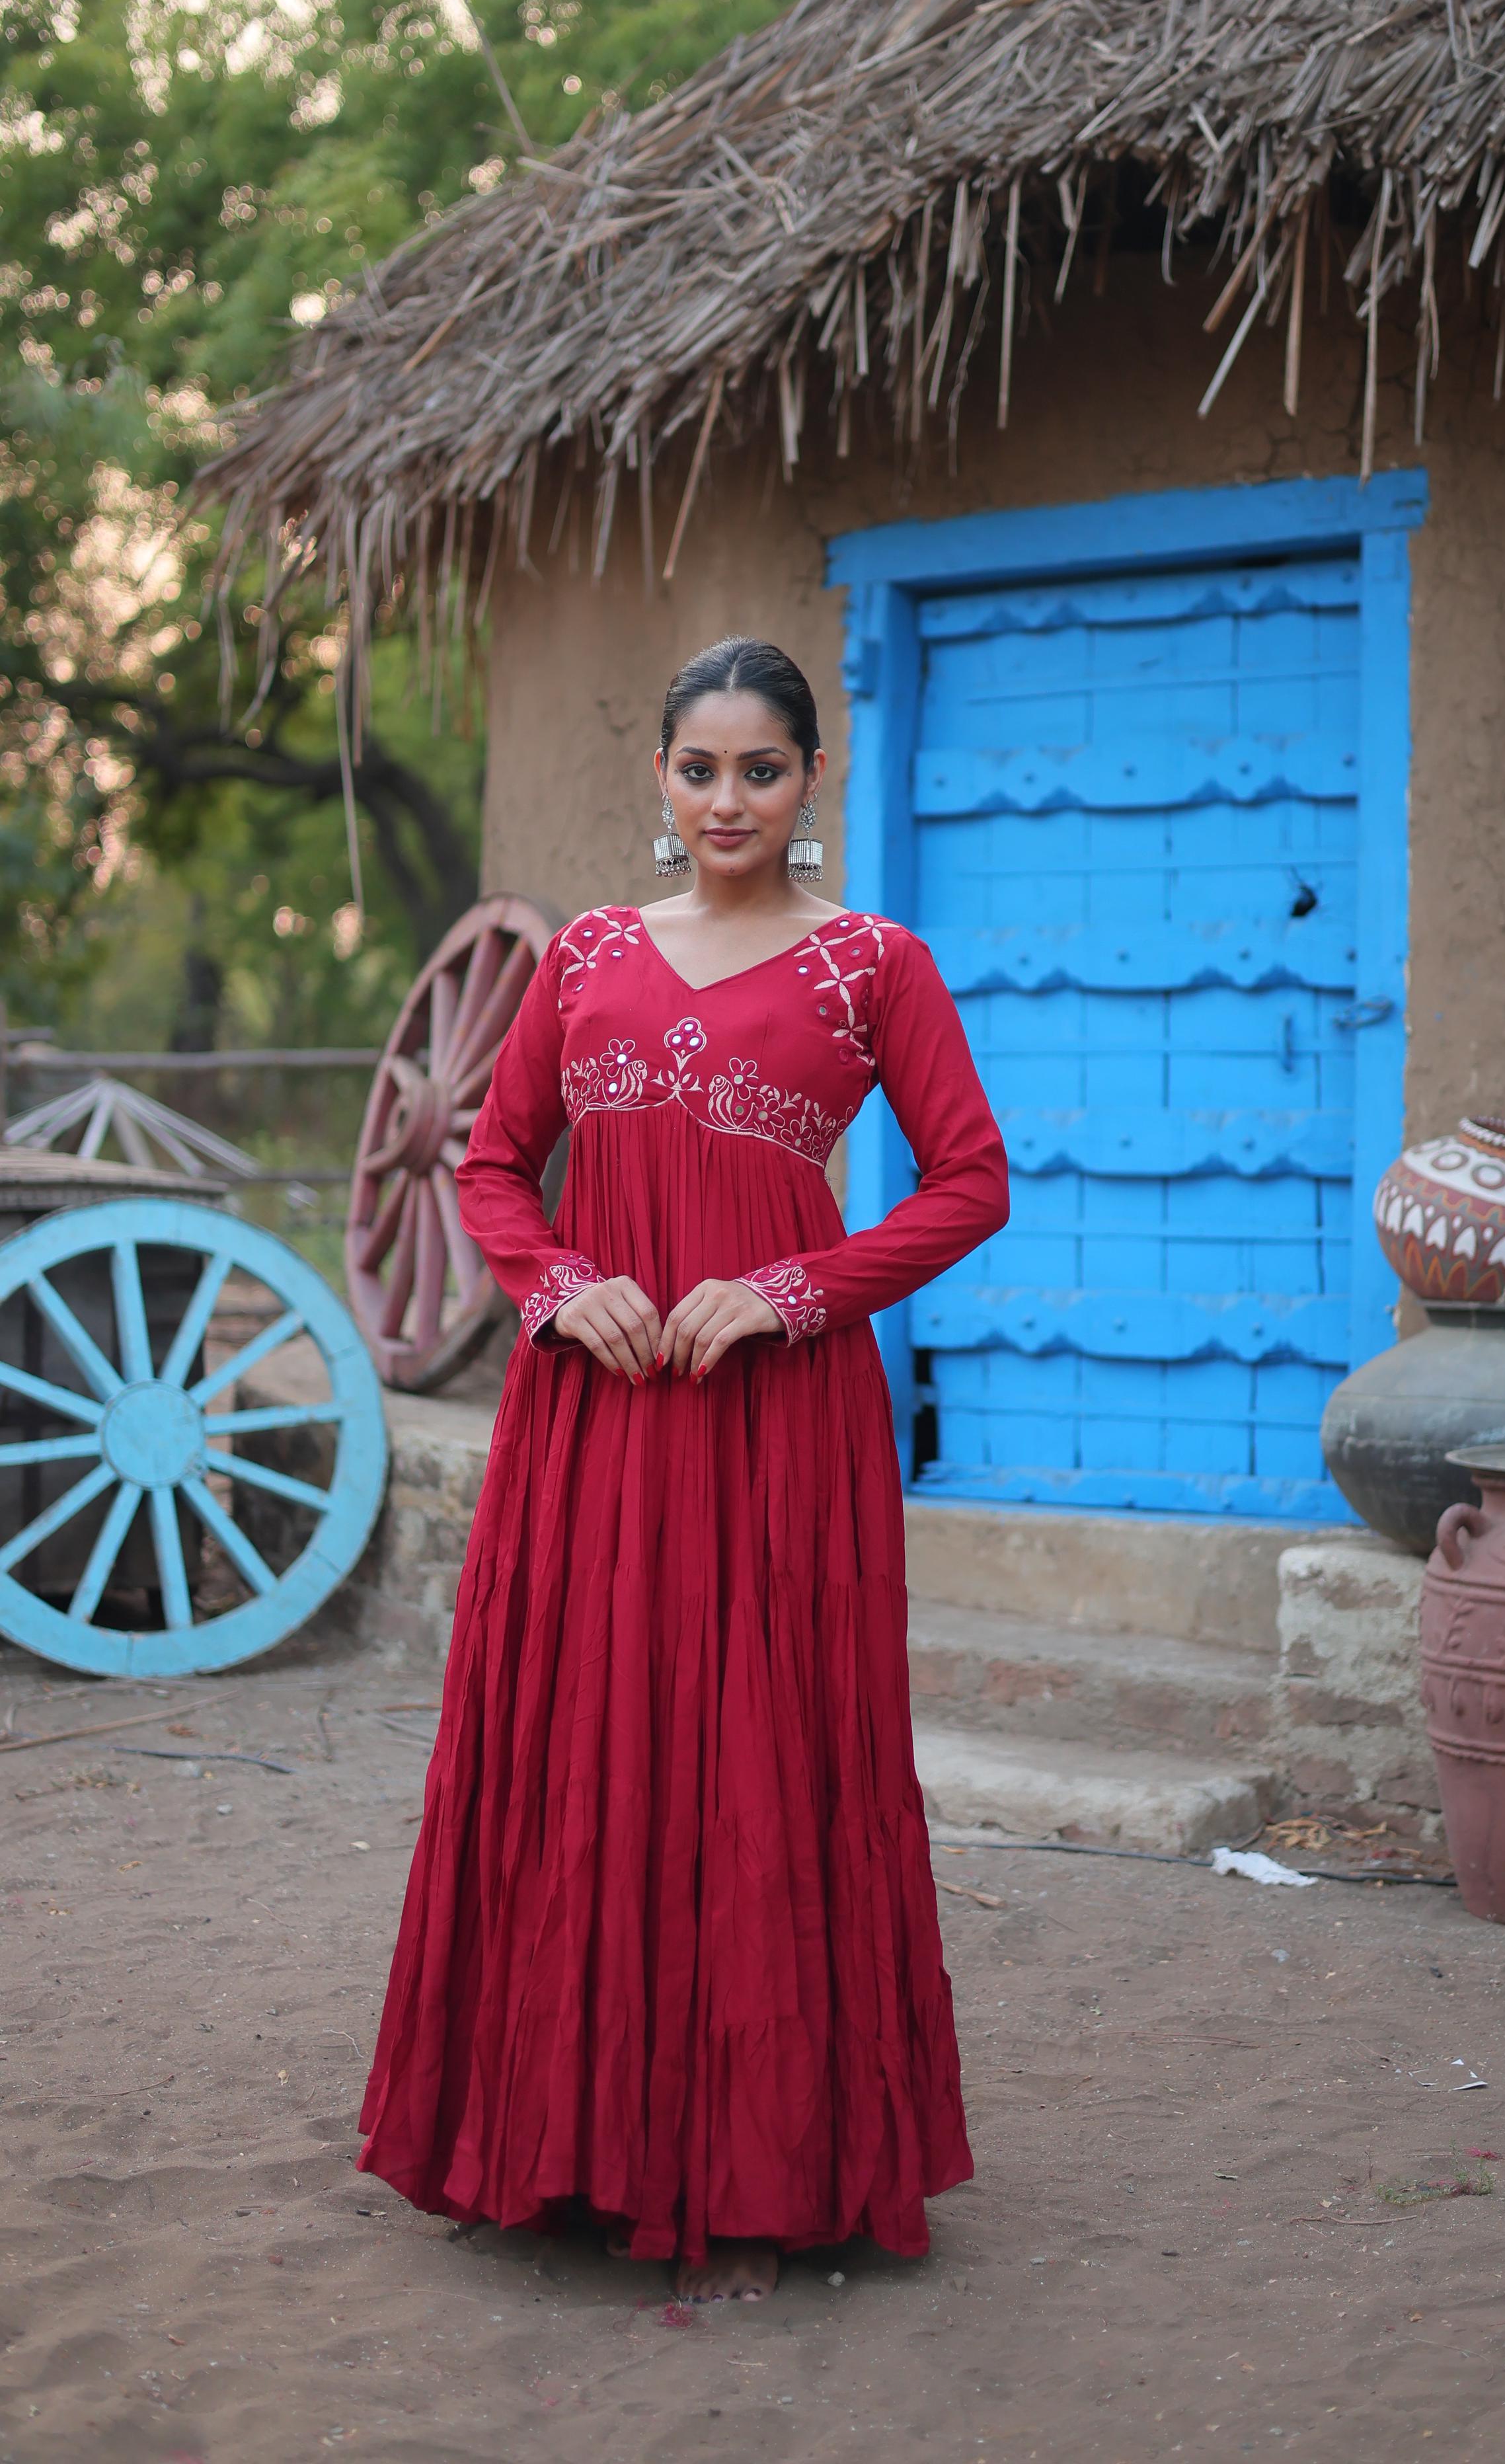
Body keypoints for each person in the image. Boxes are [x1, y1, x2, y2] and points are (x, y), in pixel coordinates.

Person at [358, 637, 1009, 2305]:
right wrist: (561, 1284)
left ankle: (761, 2167)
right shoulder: (582, 960)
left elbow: (968, 1183)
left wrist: (793, 1289)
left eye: (763, 769)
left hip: (778, 1429)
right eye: (700, 768)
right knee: (587, 1740)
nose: (730, 799)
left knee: (759, 1754)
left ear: (812, 781)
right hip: (595, 1417)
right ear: (660, 779)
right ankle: (554, 2144)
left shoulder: (874, 966)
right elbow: (497, 1168)